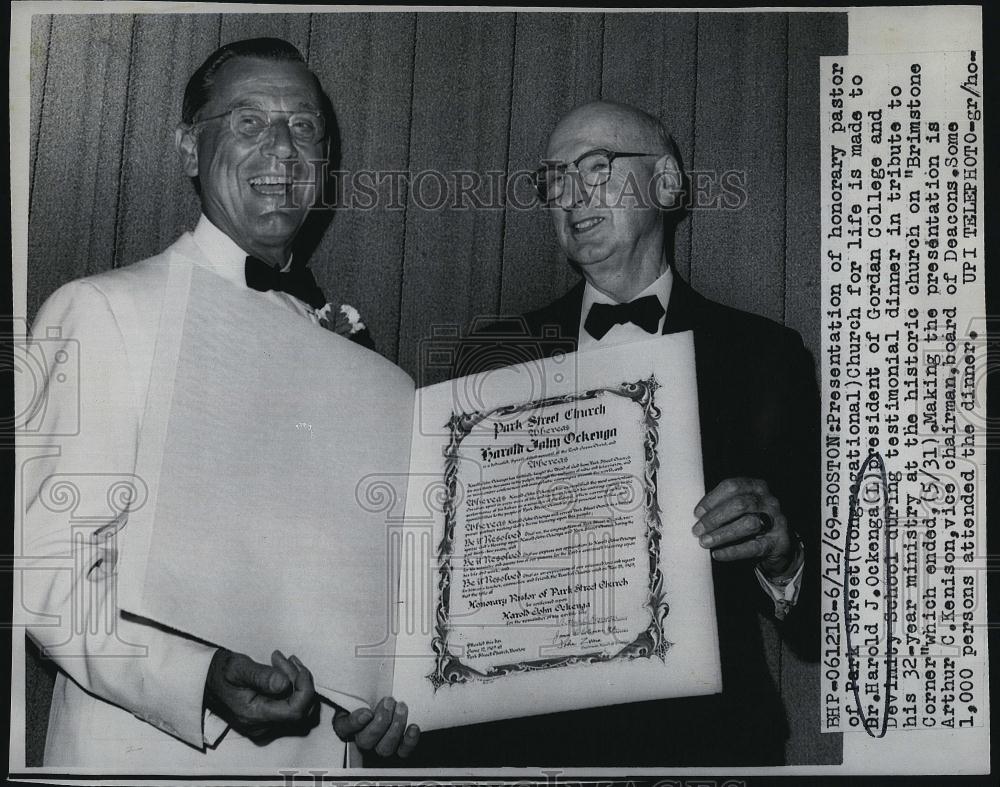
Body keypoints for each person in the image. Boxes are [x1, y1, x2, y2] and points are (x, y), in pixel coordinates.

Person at [21, 38, 417, 769]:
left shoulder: (369, 370)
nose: (283, 149)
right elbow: (48, 574)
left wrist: (398, 702)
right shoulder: (105, 310)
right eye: (247, 121)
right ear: (188, 148)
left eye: (304, 127)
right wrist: (196, 677)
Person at [408, 100, 820, 767]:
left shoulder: (761, 355)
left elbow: (815, 620)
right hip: (525, 750)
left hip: (703, 747)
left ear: (667, 184)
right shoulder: (494, 357)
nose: (570, 194)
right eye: (554, 179)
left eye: (595, 167)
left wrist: (782, 557)